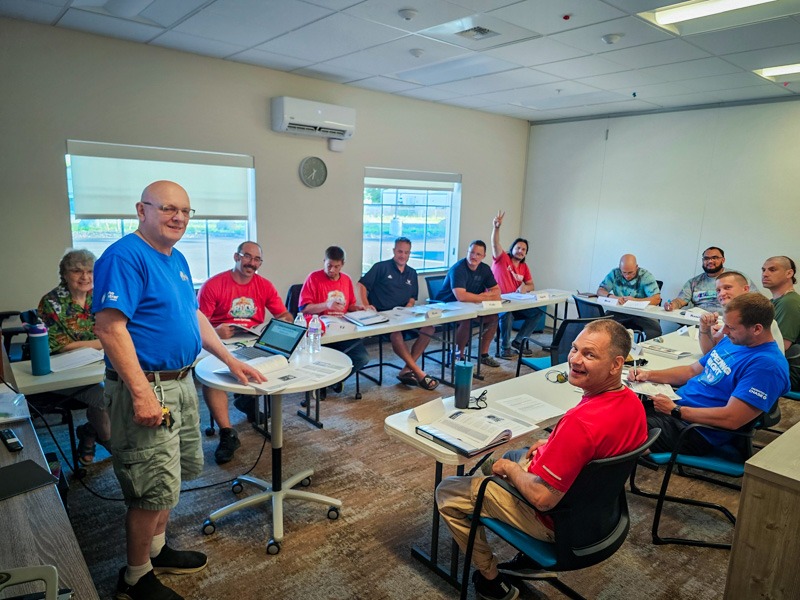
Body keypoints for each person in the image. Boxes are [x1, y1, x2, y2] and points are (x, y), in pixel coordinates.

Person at [93, 181, 265, 600]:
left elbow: (194, 316)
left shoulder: (177, 257)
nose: (179, 218)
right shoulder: (124, 257)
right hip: (149, 387)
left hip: (181, 381)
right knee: (149, 486)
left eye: (186, 212)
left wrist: (229, 359)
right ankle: (135, 577)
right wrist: (141, 393)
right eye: (169, 209)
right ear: (141, 209)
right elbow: (110, 328)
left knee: (169, 478)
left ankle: (156, 551)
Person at [436, 319, 647, 600]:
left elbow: (543, 499)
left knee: (449, 491)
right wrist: (554, 445)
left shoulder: (579, 423)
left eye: (589, 354)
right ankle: (525, 558)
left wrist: (509, 469)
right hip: (599, 513)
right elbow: (606, 447)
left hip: (555, 520)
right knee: (517, 452)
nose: (575, 359)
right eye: (574, 349)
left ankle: (491, 580)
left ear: (616, 364)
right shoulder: (632, 402)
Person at [629, 293, 789, 457]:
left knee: (620, 435)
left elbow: (732, 419)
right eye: (725, 324)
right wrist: (648, 375)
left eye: (731, 327)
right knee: (615, 414)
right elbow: (692, 371)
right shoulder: (736, 340)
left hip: (695, 429)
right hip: (676, 410)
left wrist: (676, 410)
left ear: (757, 329)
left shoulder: (767, 367)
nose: (724, 331)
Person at [197, 241, 293, 464]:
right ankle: (228, 433)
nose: (252, 263)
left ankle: (247, 401)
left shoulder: (264, 285)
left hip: (252, 341)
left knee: (277, 362)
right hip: (219, 343)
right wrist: (216, 330)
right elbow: (196, 324)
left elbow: (285, 316)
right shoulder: (214, 285)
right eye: (247, 257)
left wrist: (279, 324)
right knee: (211, 378)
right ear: (236, 257)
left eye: (257, 259)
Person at [37, 248, 109, 465]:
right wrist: (104, 341)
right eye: (77, 271)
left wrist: (97, 342)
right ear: (65, 274)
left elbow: (123, 331)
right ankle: (112, 443)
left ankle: (90, 430)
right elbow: (60, 346)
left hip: (99, 364)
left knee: (129, 388)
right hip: (65, 371)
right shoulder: (51, 302)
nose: (85, 277)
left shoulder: (102, 295)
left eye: (90, 271)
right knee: (104, 395)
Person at [356, 237, 438, 390]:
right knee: (396, 334)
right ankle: (419, 372)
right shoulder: (381, 267)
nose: (403, 255)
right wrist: (366, 306)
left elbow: (413, 296)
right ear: (394, 251)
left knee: (429, 328)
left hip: (404, 316)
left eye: (406, 252)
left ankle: (407, 369)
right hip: (384, 318)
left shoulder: (412, 273)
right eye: (400, 251)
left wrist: (408, 306)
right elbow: (361, 284)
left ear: (409, 254)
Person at [299, 245, 370, 388]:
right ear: (324, 261)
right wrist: (326, 305)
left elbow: (349, 306)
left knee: (362, 357)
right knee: (322, 358)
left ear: (342, 264)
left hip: (342, 328)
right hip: (321, 330)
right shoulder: (314, 278)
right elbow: (304, 309)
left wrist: (359, 308)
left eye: (336, 266)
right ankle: (323, 383)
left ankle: (334, 382)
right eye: (329, 265)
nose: (332, 270)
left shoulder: (346, 280)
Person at [435, 241, 502, 367]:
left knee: (493, 317)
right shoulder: (458, 269)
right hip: (447, 307)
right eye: (472, 252)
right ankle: (457, 355)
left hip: (471, 306)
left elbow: (497, 291)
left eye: (478, 254)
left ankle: (484, 354)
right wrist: (484, 298)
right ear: (467, 252)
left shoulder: (485, 269)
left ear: (483, 256)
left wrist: (482, 297)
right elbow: (461, 296)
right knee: (467, 319)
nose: (474, 256)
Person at [489, 211, 545, 359]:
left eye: (524, 250)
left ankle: (518, 342)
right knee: (507, 315)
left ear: (526, 253)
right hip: (497, 303)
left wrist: (525, 287)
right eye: (518, 248)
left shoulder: (524, 267)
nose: (520, 251)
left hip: (514, 303)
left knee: (537, 313)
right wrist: (496, 228)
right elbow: (494, 244)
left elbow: (531, 284)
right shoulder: (502, 259)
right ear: (512, 248)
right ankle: (505, 348)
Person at [696, 271, 783, 355]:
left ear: (745, 289)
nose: (721, 293)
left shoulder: (763, 320)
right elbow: (710, 352)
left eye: (727, 287)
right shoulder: (732, 318)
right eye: (718, 290)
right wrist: (704, 327)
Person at [664, 246, 758, 313]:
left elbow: (756, 300)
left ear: (723, 260)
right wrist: (672, 305)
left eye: (715, 258)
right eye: (706, 258)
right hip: (698, 321)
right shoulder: (694, 282)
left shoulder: (737, 277)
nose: (710, 261)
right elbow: (680, 301)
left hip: (729, 322)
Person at [597, 253, 662, 341]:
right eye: (624, 272)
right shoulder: (615, 273)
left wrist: (636, 301)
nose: (627, 276)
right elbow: (600, 291)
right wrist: (612, 297)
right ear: (620, 268)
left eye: (631, 272)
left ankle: (644, 353)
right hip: (619, 311)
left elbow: (656, 299)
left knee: (655, 331)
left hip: (642, 314)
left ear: (636, 267)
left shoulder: (646, 276)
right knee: (599, 326)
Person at [762, 256, 800, 391]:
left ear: (789, 273)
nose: (765, 274)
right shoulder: (773, 302)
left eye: (772, 270)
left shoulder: (789, 302)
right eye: (764, 270)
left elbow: (780, 347)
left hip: (786, 370)